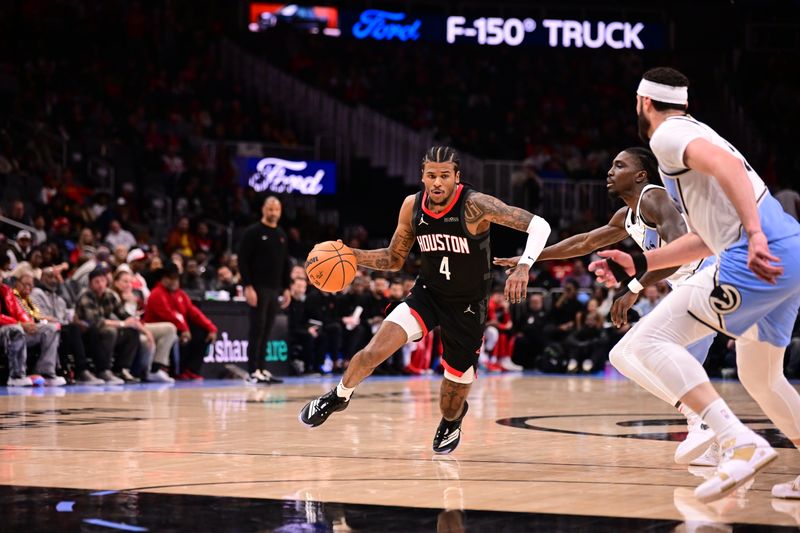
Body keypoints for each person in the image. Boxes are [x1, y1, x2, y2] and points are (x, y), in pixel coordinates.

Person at [588, 67, 800, 502]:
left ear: (643, 102)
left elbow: (727, 167)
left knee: (645, 342)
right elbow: (704, 238)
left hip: (757, 253)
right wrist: (640, 262)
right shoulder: (694, 132)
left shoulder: (667, 136)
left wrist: (756, 234)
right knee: (761, 378)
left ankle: (734, 439)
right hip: (789, 253)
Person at [299, 146, 551, 454]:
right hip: (428, 294)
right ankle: (339, 395)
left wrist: (524, 265)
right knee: (372, 352)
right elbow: (394, 259)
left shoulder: (475, 205)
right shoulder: (412, 206)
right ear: (422, 176)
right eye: (431, 175)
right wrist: (352, 256)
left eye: (444, 176)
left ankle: (453, 418)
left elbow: (540, 225)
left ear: (457, 178)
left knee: (450, 401)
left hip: (468, 306)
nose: (437, 183)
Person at [495, 146, 719, 466]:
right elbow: (583, 242)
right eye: (611, 165)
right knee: (623, 355)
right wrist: (529, 258)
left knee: (648, 354)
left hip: (710, 280)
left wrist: (634, 288)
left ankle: (705, 421)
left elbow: (681, 252)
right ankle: (717, 432)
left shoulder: (654, 199)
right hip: (690, 288)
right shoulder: (626, 216)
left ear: (641, 175)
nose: (609, 172)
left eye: (619, 165)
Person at [238, 196, 291, 384]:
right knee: (257, 329)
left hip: (274, 288)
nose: (273, 212)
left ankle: (261, 368)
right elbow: (242, 261)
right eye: (270, 208)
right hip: (257, 287)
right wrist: (248, 286)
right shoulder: (252, 232)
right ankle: (252, 371)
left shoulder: (282, 234)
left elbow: (285, 263)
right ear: (263, 209)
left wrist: (286, 288)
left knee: (267, 330)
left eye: (276, 209)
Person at [143, 263, 218, 381]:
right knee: (176, 332)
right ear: (163, 279)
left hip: (177, 328)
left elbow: (194, 312)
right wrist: (184, 329)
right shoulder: (156, 293)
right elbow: (168, 315)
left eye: (176, 278)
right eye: (170, 278)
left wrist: (211, 327)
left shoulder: (181, 294)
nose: (174, 282)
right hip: (159, 328)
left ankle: (191, 370)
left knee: (202, 332)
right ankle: (174, 370)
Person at [31, 267, 105, 385]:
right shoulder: (36, 293)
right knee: (72, 329)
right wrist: (64, 322)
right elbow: (38, 316)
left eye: (56, 277)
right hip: (45, 328)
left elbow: (68, 314)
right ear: (42, 278)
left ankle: (102, 370)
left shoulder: (58, 298)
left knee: (90, 329)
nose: (53, 280)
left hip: (62, 327)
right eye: (50, 277)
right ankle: (81, 371)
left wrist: (75, 320)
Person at [75, 267, 142, 384]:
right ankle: (103, 370)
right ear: (90, 283)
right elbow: (96, 321)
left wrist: (134, 322)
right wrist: (122, 324)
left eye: (103, 281)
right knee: (110, 331)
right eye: (97, 282)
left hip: (102, 332)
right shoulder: (85, 296)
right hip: (86, 334)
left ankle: (121, 369)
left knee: (131, 332)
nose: (100, 284)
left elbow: (123, 314)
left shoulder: (109, 295)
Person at [1, 272, 64, 386]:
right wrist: (21, 324)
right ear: (17, 284)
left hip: (16, 327)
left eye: (31, 285)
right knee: (16, 329)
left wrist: (29, 324)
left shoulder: (6, 290)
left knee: (51, 329)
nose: (28, 288)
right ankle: (16, 376)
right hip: (7, 329)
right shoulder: (15, 294)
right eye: (25, 284)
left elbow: (20, 313)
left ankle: (46, 373)